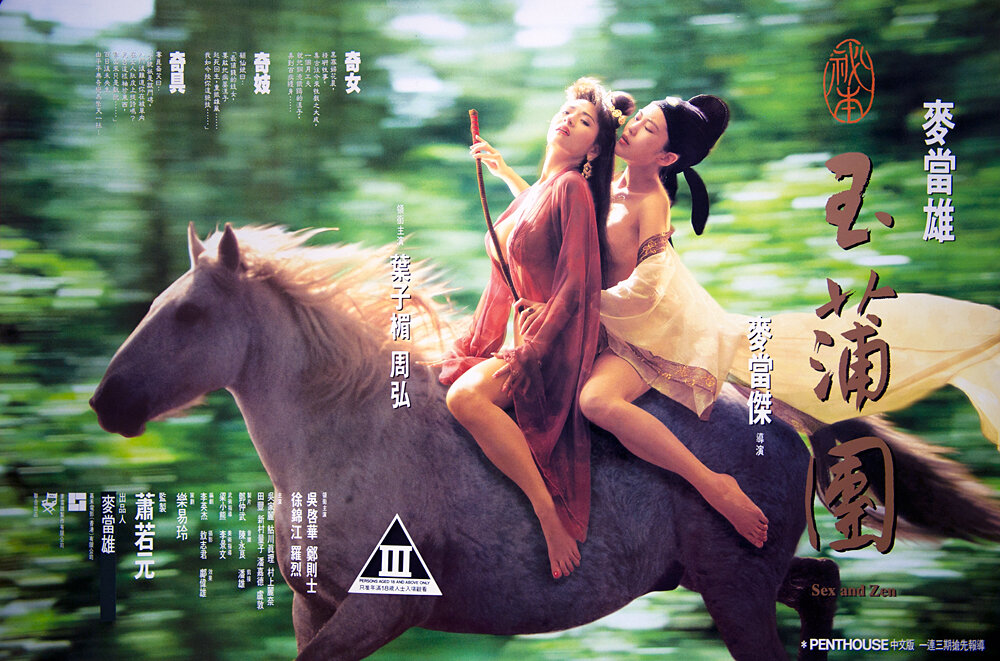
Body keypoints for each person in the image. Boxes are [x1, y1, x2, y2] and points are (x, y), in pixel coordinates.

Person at [439, 78, 635, 579]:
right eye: (567, 111)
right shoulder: (535, 194)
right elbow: (514, 260)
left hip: (551, 347)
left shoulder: (572, 189)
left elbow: (576, 284)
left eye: (584, 121)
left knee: (465, 399)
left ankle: (547, 512)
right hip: (520, 337)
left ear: (594, 150)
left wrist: (534, 346)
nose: (569, 119)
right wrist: (505, 171)